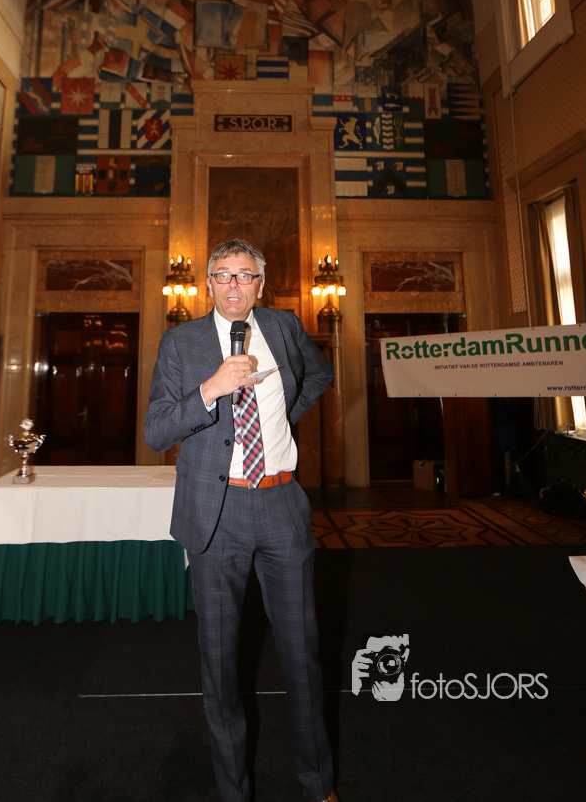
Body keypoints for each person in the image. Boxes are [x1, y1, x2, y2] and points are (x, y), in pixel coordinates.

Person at [145, 238, 339, 802]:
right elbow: (157, 430)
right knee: (220, 663)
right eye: (223, 275)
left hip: (281, 506)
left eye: (244, 275)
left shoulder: (284, 326)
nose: (233, 285)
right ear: (208, 284)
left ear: (260, 284)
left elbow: (319, 376)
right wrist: (212, 388)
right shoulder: (180, 342)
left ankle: (319, 784)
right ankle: (233, 791)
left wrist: (283, 420)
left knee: (302, 656)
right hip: (216, 512)